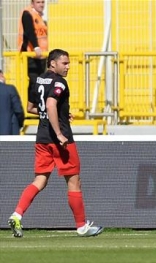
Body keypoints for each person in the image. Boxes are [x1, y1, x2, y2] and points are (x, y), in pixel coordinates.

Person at [8, 49, 103, 238]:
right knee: (74, 181)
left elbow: (32, 108)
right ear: (53, 63)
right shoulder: (59, 82)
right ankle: (81, 226)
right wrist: (59, 132)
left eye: (68, 63)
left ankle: (17, 214)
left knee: (40, 180)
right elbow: (50, 104)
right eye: (64, 63)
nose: (68, 67)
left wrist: (60, 114)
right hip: (60, 141)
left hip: (42, 138)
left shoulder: (38, 80)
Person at [18, 0, 48, 104]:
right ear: (32, 3)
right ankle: (32, 107)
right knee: (36, 81)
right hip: (31, 54)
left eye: (42, 2)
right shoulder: (28, 13)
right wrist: (36, 47)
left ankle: (31, 107)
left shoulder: (40, 17)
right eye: (38, 2)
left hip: (42, 55)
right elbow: (29, 32)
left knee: (36, 82)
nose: (41, 4)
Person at [0, 70, 25, 135]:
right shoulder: (9, 89)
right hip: (8, 133)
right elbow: (18, 110)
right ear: (1, 75)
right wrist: (20, 123)